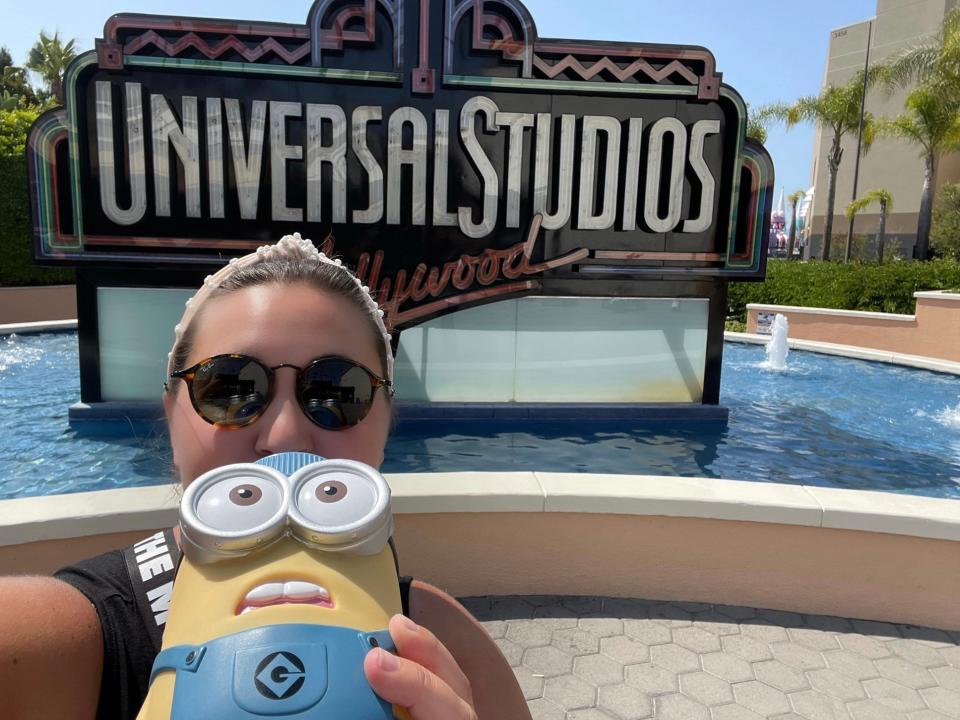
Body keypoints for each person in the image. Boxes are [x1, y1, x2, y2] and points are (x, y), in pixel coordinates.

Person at [0, 234, 488, 720]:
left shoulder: (448, 643)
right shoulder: (64, 638)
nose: (285, 436)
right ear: (172, 415)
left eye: (338, 392)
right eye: (231, 388)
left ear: (385, 423)